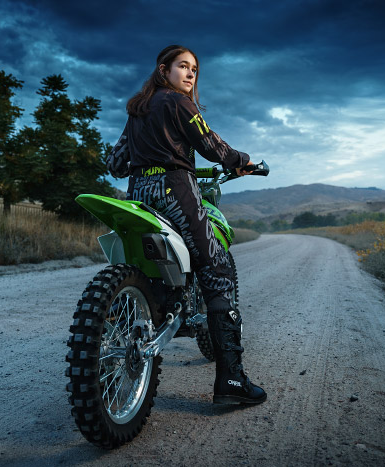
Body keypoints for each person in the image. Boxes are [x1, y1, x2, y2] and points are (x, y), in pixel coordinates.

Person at [107, 45, 266, 405]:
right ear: (164, 71)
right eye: (183, 66)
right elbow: (210, 144)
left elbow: (116, 163)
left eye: (194, 69)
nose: (191, 74)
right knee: (218, 268)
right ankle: (232, 381)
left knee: (148, 271)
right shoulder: (178, 102)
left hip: (138, 194)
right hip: (173, 189)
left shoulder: (137, 110)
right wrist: (243, 161)